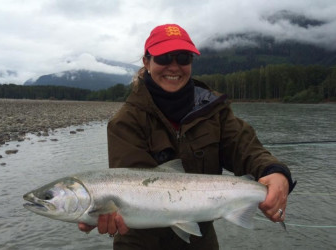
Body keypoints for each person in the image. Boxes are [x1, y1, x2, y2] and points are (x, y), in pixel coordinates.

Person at [78, 23, 296, 249]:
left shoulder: (215, 110)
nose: (174, 66)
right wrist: (102, 212)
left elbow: (246, 149)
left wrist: (274, 171)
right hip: (140, 242)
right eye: (164, 57)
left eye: (183, 57)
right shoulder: (126, 121)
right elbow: (134, 187)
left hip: (200, 239)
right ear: (147, 62)